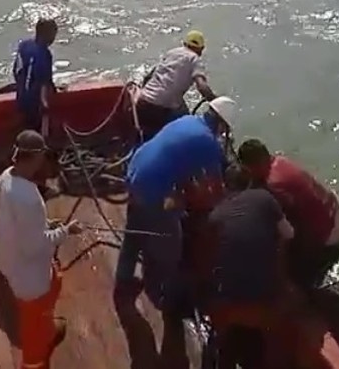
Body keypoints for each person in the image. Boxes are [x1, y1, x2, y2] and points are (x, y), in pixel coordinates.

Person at [114, 96, 238, 311]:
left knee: (133, 234)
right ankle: (162, 296)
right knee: (169, 244)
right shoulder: (208, 141)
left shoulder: (188, 121)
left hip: (135, 172)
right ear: (221, 124)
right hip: (152, 189)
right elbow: (216, 187)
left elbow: (180, 164)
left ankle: (123, 278)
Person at [0, 130, 83, 369]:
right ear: (36, 158)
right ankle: (34, 361)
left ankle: (49, 329)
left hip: (8, 259)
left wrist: (44, 225)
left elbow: (12, 224)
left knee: (56, 280)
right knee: (34, 327)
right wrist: (65, 231)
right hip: (28, 278)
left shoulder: (6, 178)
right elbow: (35, 246)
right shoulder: (30, 198)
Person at [200, 164, 296, 369]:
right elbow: (289, 235)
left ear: (226, 187)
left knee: (222, 341)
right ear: (250, 183)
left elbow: (208, 261)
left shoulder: (216, 215)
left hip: (228, 303)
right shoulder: (265, 198)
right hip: (264, 303)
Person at [237, 138, 339, 292]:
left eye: (247, 169)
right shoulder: (280, 161)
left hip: (329, 241)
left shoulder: (273, 185)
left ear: (254, 166)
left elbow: (283, 231)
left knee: (293, 277)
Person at [135, 30, 216, 141]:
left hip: (143, 101)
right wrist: (214, 100)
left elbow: (149, 76)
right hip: (161, 110)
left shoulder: (172, 52)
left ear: (184, 44)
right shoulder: (195, 60)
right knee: (186, 127)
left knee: (143, 134)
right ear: (201, 49)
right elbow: (201, 86)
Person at [12, 18, 58, 134]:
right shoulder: (45, 54)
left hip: (21, 96)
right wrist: (46, 102)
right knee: (36, 128)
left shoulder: (24, 45)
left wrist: (21, 87)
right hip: (33, 102)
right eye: (53, 34)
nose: (54, 38)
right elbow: (45, 82)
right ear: (46, 35)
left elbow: (16, 70)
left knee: (26, 125)